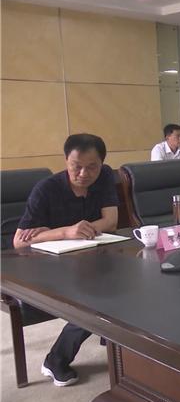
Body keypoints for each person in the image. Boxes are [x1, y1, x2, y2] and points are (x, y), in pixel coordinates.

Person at [14, 133, 119, 386]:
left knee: (130, 285)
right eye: (76, 166)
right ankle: (55, 361)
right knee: (98, 299)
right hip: (44, 265)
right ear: (66, 161)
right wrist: (66, 232)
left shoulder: (104, 177)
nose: (84, 173)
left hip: (87, 260)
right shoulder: (46, 190)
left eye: (92, 167)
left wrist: (72, 231)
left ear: (101, 164)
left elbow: (111, 221)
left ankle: (114, 340)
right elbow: (19, 241)